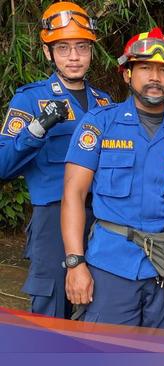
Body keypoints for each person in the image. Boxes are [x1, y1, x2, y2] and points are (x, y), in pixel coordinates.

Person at [61, 27, 164, 329]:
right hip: (110, 267)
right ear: (127, 74)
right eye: (145, 68)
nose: (155, 77)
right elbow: (73, 194)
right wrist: (75, 263)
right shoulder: (99, 124)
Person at [0, 1, 111, 319]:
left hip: (103, 218)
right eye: (63, 48)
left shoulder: (105, 103)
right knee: (52, 310)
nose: (74, 57)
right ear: (49, 53)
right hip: (53, 217)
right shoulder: (30, 98)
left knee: (102, 308)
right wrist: (37, 127)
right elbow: (3, 165)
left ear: (91, 51)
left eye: (81, 47)